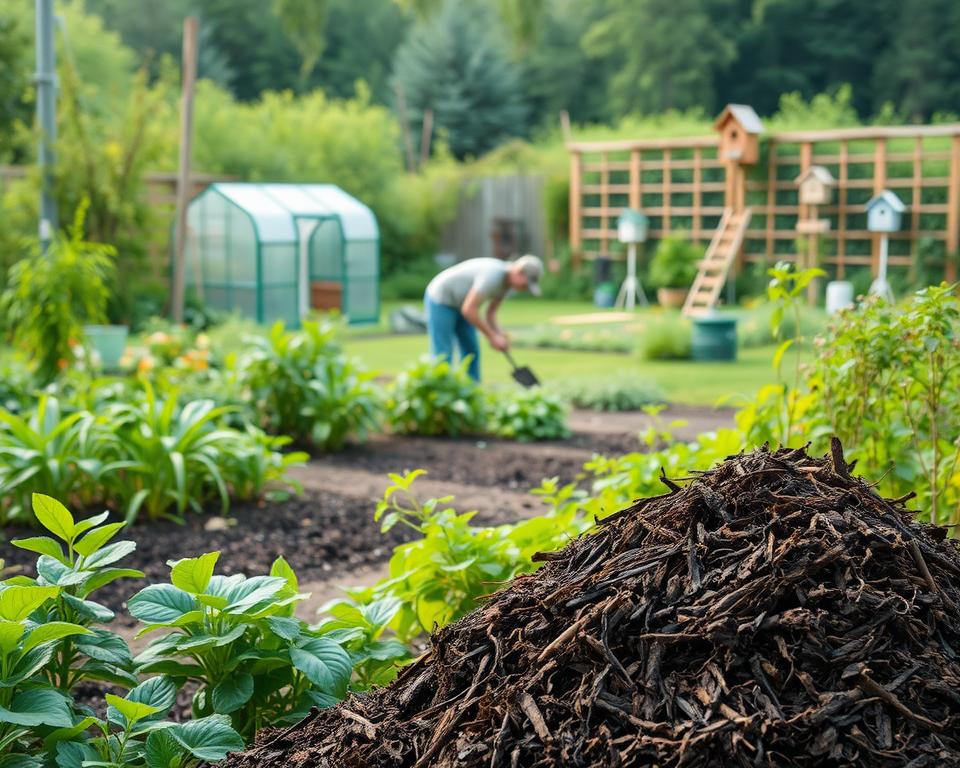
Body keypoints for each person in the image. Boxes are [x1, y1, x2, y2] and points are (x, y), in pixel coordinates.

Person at [424, 254, 543, 381]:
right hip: (441, 299)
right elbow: (469, 310)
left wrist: (499, 334)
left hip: (463, 303)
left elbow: (490, 313)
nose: (524, 289)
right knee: (443, 352)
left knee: (471, 351)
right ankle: (441, 391)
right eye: (525, 284)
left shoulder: (508, 285)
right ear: (518, 272)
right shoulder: (493, 275)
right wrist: (492, 336)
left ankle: (473, 392)